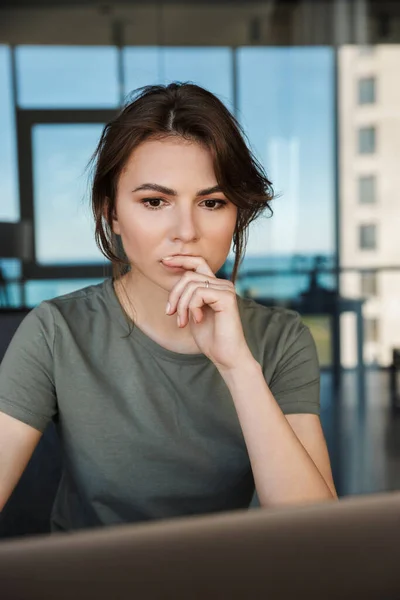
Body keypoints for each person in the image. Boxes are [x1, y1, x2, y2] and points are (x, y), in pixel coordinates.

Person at [0, 82, 337, 534]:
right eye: (155, 202)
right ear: (111, 213)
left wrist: (238, 366)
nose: (185, 231)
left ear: (236, 213)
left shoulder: (280, 337)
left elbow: (315, 536)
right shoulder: (56, 330)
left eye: (211, 202)